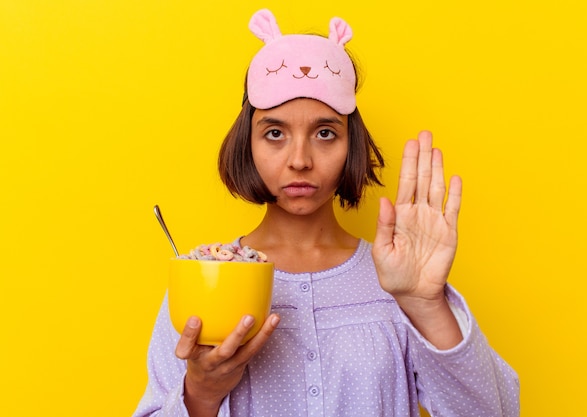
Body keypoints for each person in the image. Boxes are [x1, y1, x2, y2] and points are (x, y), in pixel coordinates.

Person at [134, 8, 520, 417]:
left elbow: (492, 411)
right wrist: (200, 394)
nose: (299, 160)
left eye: (324, 133)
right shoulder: (202, 280)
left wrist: (426, 304)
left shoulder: (397, 280)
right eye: (275, 133)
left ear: (350, 145)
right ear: (247, 144)